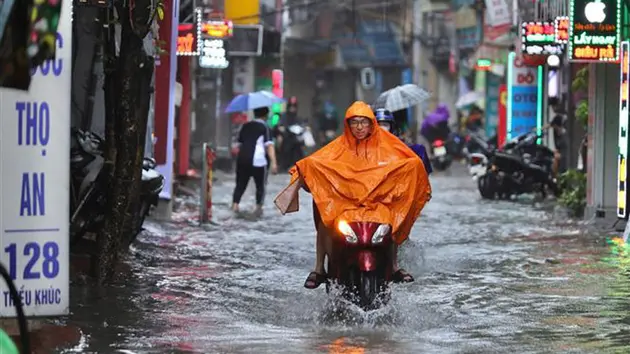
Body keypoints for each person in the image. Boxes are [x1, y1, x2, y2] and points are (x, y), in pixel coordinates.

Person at [275, 101, 432, 289]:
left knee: (393, 221)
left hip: (377, 206)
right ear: (347, 124)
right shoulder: (339, 146)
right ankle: (319, 268)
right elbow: (316, 162)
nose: (359, 127)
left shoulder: (388, 145)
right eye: (354, 122)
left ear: (371, 123)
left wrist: (414, 173)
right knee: (325, 219)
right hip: (345, 205)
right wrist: (304, 172)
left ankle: (395, 265)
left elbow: (409, 163)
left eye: (363, 122)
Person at [232, 107, 278, 215]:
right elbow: (269, 145)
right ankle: (258, 208)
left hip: (242, 159)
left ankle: (235, 206)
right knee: (260, 185)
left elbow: (240, 142)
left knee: (240, 184)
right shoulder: (265, 127)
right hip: (258, 161)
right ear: (266, 115)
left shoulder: (245, 125)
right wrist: (274, 163)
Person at [375, 108, 433, 175]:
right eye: (378, 125)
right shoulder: (369, 143)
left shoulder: (396, 141)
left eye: (385, 125)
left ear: (391, 127)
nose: (382, 128)